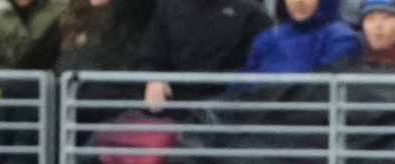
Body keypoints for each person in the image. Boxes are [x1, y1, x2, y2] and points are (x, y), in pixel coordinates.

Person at [136, 0, 273, 109]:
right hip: (173, 107)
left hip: (227, 114)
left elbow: (261, 74)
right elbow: (149, 56)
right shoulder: (170, 6)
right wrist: (153, 81)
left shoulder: (253, 13)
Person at [243, 0, 363, 74]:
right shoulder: (267, 38)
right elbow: (244, 82)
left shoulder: (343, 39)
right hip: (261, 112)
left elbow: (320, 91)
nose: (299, 1)